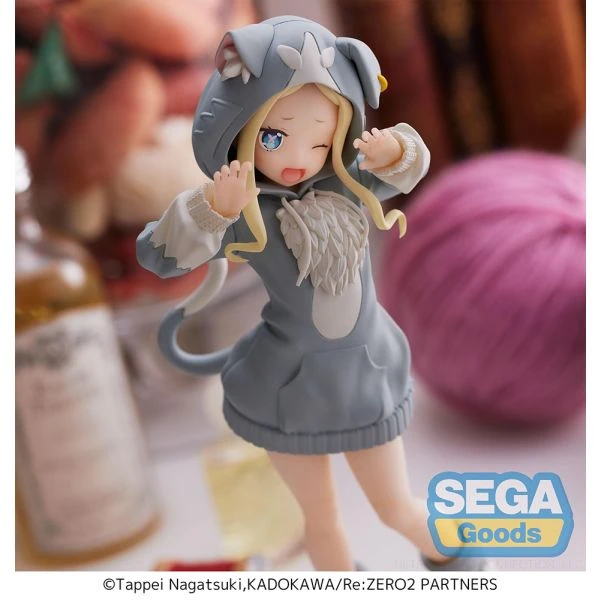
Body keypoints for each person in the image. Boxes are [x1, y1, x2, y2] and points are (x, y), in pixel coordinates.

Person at [137, 16, 486, 571]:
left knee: (396, 506)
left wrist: (395, 151)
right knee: (321, 522)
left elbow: (410, 168)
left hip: (364, 373)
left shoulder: (349, 182)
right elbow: (158, 254)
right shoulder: (245, 207)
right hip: (288, 387)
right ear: (241, 128)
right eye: (274, 137)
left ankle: (464, 563)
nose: (299, 157)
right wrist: (211, 210)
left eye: (321, 140)